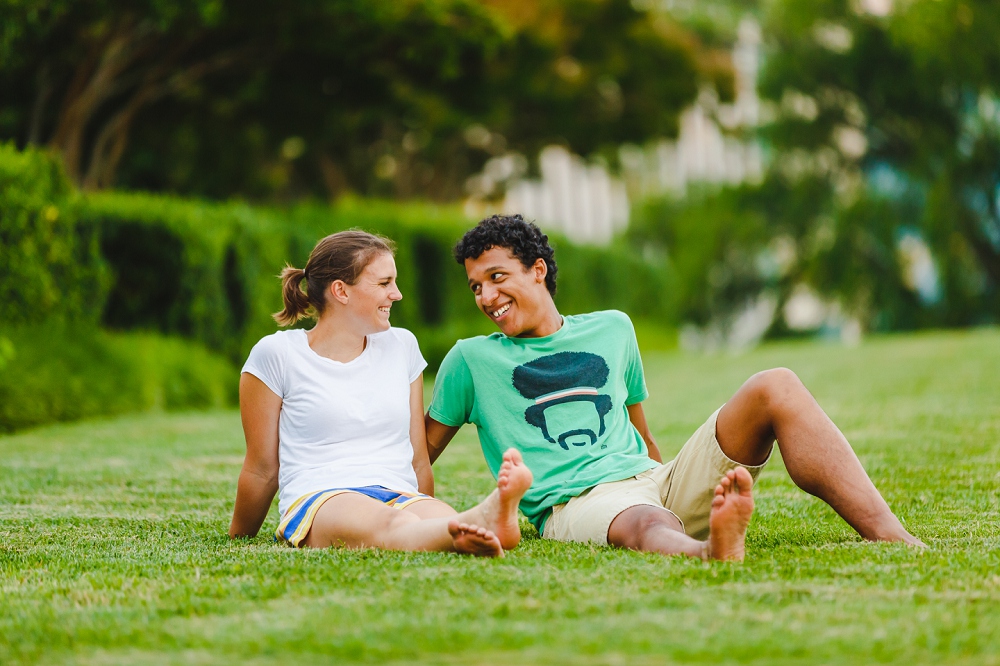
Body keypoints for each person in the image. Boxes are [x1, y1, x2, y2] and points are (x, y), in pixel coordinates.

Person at [425, 214, 924, 561]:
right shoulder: (472, 359)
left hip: (654, 482)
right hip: (576, 504)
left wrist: (670, 480)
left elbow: (643, 438)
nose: (486, 296)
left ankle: (891, 535)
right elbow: (420, 455)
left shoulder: (614, 328)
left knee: (777, 384)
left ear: (538, 271)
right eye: (475, 286)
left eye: (496, 277)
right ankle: (708, 551)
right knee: (643, 522)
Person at [228, 230, 532, 557]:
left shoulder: (402, 346)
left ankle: (474, 526)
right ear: (341, 291)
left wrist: (425, 504)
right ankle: (483, 518)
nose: (397, 294)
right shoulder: (276, 354)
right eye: (385, 283)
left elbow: (417, 458)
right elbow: (261, 468)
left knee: (439, 519)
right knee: (390, 525)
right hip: (323, 498)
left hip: (400, 494)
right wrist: (238, 538)